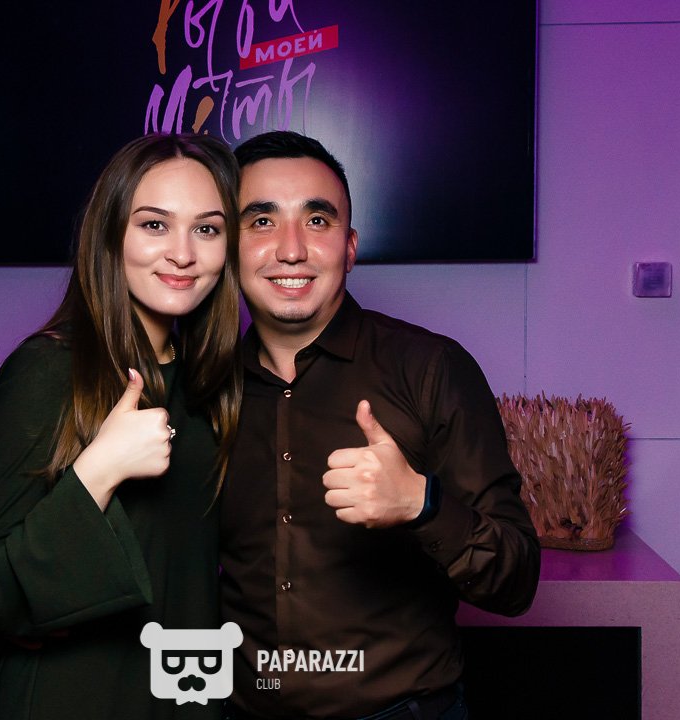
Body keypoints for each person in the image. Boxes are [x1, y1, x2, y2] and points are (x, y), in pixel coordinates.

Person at [219, 131, 541, 720]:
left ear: (350, 247)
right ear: (227, 247)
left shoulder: (431, 369)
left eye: (317, 221)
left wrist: (422, 504)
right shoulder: (202, 392)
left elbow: (516, 581)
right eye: (261, 221)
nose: (291, 249)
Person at [0, 133, 242, 719]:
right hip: (76, 699)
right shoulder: (47, 369)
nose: (182, 254)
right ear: (110, 234)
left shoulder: (212, 384)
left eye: (207, 229)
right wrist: (100, 469)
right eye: (154, 225)